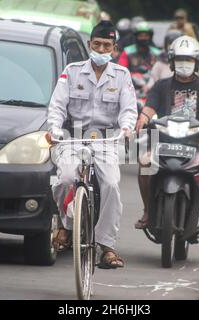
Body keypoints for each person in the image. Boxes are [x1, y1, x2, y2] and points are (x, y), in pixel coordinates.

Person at [46, 20, 138, 269]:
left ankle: (107, 246)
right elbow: (57, 105)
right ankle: (66, 227)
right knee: (65, 177)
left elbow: (129, 109)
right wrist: (54, 129)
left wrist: (127, 128)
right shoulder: (72, 71)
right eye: (96, 44)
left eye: (106, 45)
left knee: (110, 184)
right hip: (74, 136)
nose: (101, 49)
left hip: (107, 139)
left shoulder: (121, 76)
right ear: (89, 45)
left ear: (114, 48)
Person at [134, 35, 199, 230]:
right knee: (144, 164)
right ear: (171, 62)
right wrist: (142, 119)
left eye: (188, 60)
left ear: (197, 62)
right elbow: (149, 108)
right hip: (162, 144)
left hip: (198, 145)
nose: (184, 64)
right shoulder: (161, 86)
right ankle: (147, 211)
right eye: (180, 60)